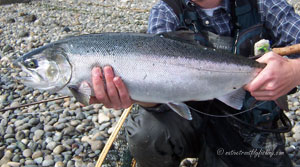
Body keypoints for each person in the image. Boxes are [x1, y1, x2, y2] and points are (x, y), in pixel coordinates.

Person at [89, 0, 300, 166]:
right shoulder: (166, 12)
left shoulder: (265, 4)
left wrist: (293, 71)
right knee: (147, 133)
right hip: (189, 118)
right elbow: (158, 93)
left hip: (248, 121)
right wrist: (140, 96)